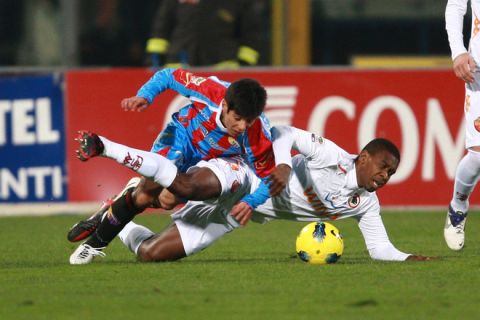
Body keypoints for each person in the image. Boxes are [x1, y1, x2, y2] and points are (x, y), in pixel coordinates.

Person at [72, 126, 431, 263]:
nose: (385, 176)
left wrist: (408, 258)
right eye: (383, 167)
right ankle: (133, 192)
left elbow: (379, 248)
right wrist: (282, 164)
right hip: (244, 178)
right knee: (177, 192)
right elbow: (285, 133)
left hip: (237, 214)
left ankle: (117, 218)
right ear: (363, 157)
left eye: (391, 173)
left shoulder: (365, 203)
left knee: (151, 255)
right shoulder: (331, 155)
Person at [68, 68, 292, 264]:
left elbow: (268, 178)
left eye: (249, 120)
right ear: (224, 106)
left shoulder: (257, 135)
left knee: (169, 200)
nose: (243, 126)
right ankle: (94, 245)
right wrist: (145, 96)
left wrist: (251, 201)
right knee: (146, 194)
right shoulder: (211, 91)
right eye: (238, 118)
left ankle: (117, 202)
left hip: (213, 158)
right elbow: (168, 76)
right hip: (181, 137)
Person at [445, 0, 480, 250]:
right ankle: (458, 205)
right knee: (479, 156)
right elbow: (456, 5)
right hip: (478, 70)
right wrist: (458, 50)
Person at [145, 0, 264, 68]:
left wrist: (245, 66)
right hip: (179, 71)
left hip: (224, 73)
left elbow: (251, 36)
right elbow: (160, 32)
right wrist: (154, 60)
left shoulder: (238, 2)